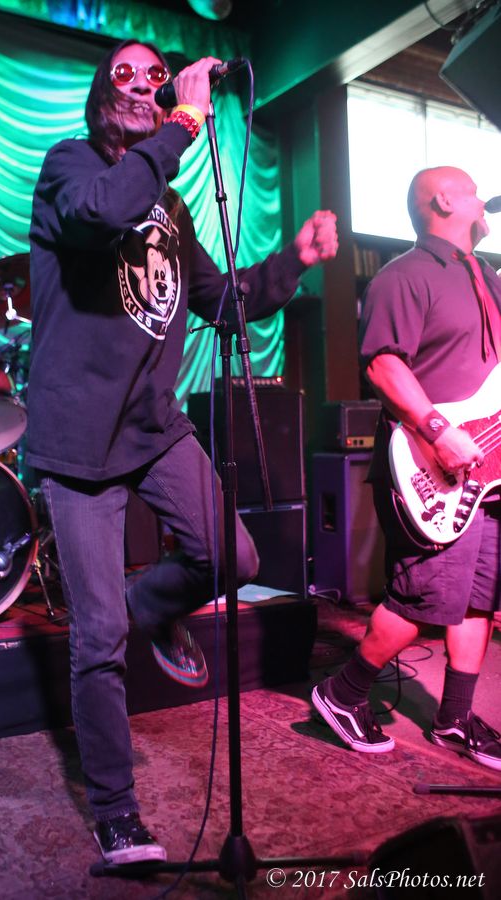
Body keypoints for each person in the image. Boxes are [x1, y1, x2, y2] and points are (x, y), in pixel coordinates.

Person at [27, 39, 338, 865]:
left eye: (155, 77)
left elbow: (220, 302)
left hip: (152, 426)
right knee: (96, 637)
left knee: (232, 557)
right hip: (77, 438)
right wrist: (184, 125)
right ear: (101, 97)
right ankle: (117, 813)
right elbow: (101, 214)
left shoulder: (170, 206)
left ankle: (150, 607)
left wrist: (294, 260)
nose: (141, 86)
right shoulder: (69, 168)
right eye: (123, 75)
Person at [312, 166, 501, 771]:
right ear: (443, 200)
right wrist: (439, 431)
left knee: (477, 599)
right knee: (423, 598)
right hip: (430, 463)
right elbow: (383, 365)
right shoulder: (405, 275)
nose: (484, 197)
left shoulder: (488, 277)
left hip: (488, 469)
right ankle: (342, 693)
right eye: (472, 189)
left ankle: (454, 719)